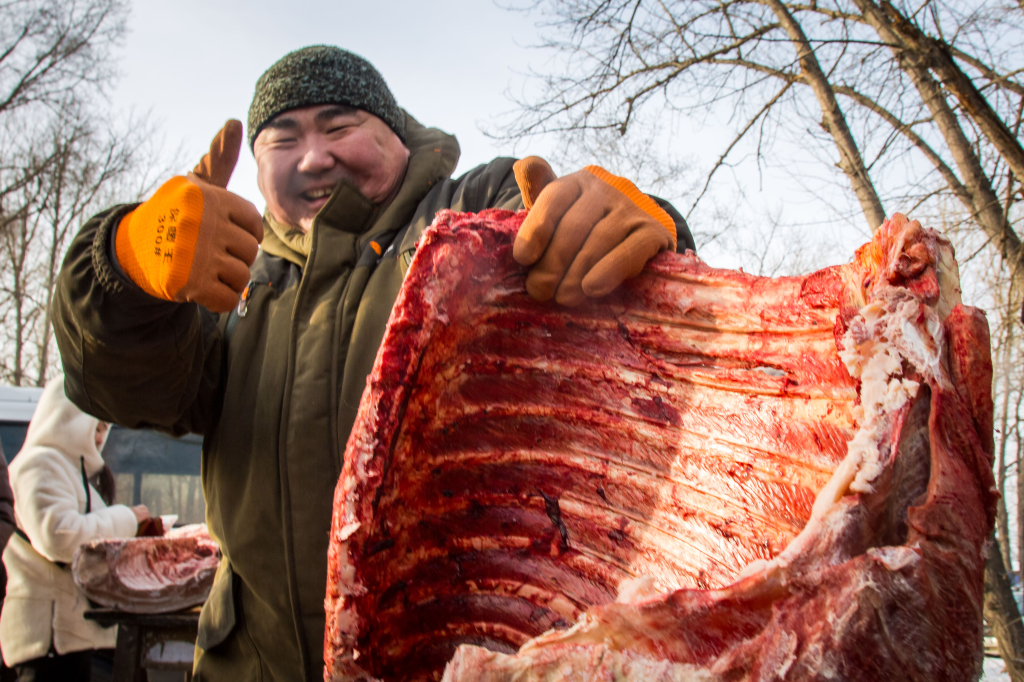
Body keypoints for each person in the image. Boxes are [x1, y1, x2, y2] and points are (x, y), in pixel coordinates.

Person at [51, 45, 696, 681]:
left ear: (396, 136)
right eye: (283, 139)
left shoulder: (473, 208)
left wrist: (635, 227)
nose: (314, 156)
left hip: (459, 664)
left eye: (340, 126)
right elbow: (125, 387)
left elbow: (609, 302)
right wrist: (123, 267)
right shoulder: (228, 283)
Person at [0, 376, 149, 681]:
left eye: (104, 431)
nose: (99, 440)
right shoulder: (39, 464)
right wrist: (128, 519)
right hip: (47, 642)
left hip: (73, 640)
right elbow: (58, 536)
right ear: (69, 415)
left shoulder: (69, 471)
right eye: (96, 427)